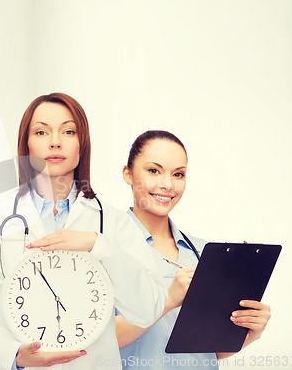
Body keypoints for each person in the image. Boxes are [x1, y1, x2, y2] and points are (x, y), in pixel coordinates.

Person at [0, 93, 167, 369]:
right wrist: (12, 353)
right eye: (41, 131)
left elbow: (149, 308)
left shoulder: (113, 222)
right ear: (26, 144)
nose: (55, 141)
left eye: (68, 131)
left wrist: (99, 245)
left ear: (82, 145)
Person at [116, 130, 272, 369]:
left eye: (178, 174)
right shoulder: (106, 247)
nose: (167, 184)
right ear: (128, 174)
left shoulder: (203, 253)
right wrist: (167, 300)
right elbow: (97, 340)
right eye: (154, 170)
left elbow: (208, 352)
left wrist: (249, 333)